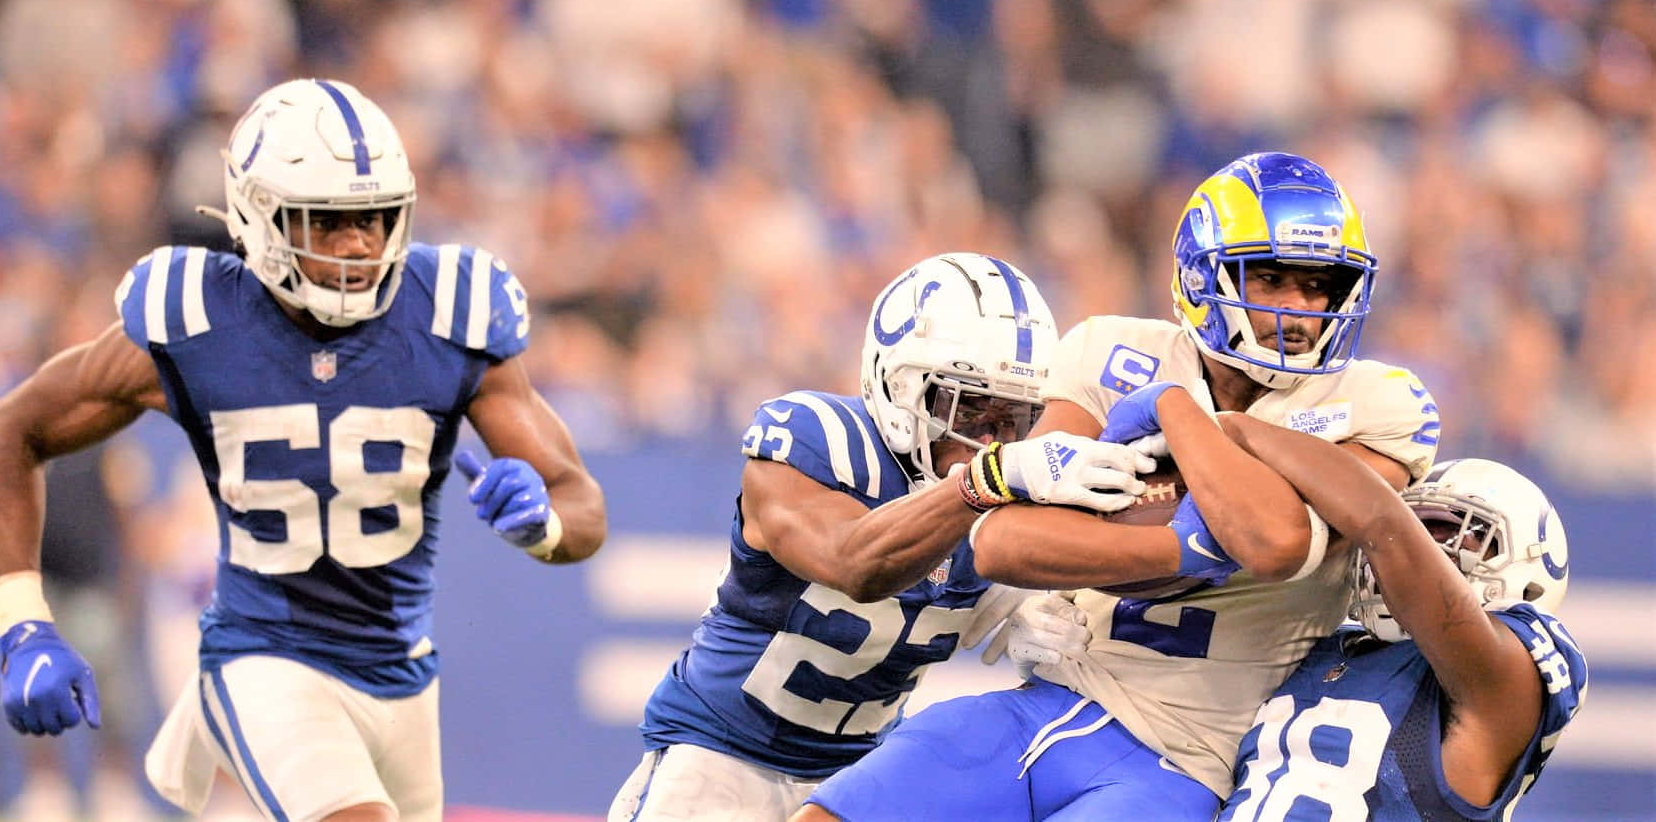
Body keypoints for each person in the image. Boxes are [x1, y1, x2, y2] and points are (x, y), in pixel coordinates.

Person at [0, 78, 607, 822]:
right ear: (259, 217)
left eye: (374, 219)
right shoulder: (196, 322)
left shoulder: (448, 313)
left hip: (403, 675)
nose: (360, 245)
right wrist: (22, 623)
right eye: (327, 223)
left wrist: (545, 527)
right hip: (266, 657)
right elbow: (9, 432)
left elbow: (579, 502)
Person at [799, 151, 1442, 820]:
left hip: (1185, 759)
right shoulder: (1107, 350)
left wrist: (1182, 418)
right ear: (1201, 274)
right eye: (1271, 277)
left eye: (1317, 285)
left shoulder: (1378, 403)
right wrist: (1197, 536)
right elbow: (1002, 542)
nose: (1298, 309)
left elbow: (1274, 542)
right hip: (1050, 699)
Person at [608, 253, 1159, 821]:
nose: (992, 440)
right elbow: (855, 563)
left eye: (1013, 420)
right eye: (970, 408)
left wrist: (1026, 604)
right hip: (721, 761)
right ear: (901, 386)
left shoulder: (1002, 495)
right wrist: (983, 484)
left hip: (860, 779)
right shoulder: (817, 441)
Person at [1209, 432, 1586, 819]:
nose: (1429, 546)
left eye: (1459, 532)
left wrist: (1223, 427)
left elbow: (1383, 525)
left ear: (1529, 570)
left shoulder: (1509, 678)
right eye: (1421, 529)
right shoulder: (1316, 647)